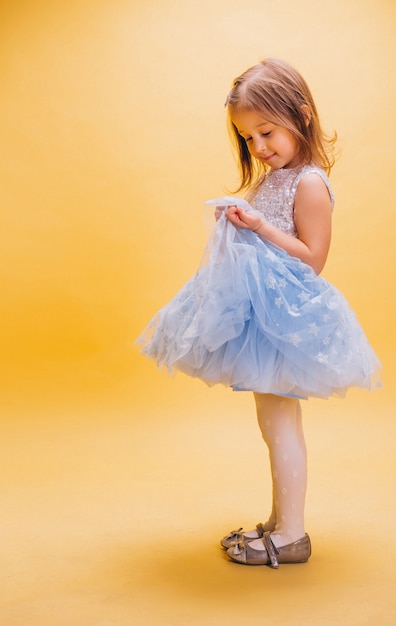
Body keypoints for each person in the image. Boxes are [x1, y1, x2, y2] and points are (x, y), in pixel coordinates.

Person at [137, 58, 381, 569]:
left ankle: (291, 534)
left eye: (266, 132)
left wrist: (261, 229)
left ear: (303, 116)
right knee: (272, 424)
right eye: (248, 138)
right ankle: (279, 523)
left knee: (280, 423)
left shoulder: (309, 183)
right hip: (266, 316)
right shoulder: (276, 178)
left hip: (286, 319)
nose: (259, 147)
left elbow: (313, 260)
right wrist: (240, 221)